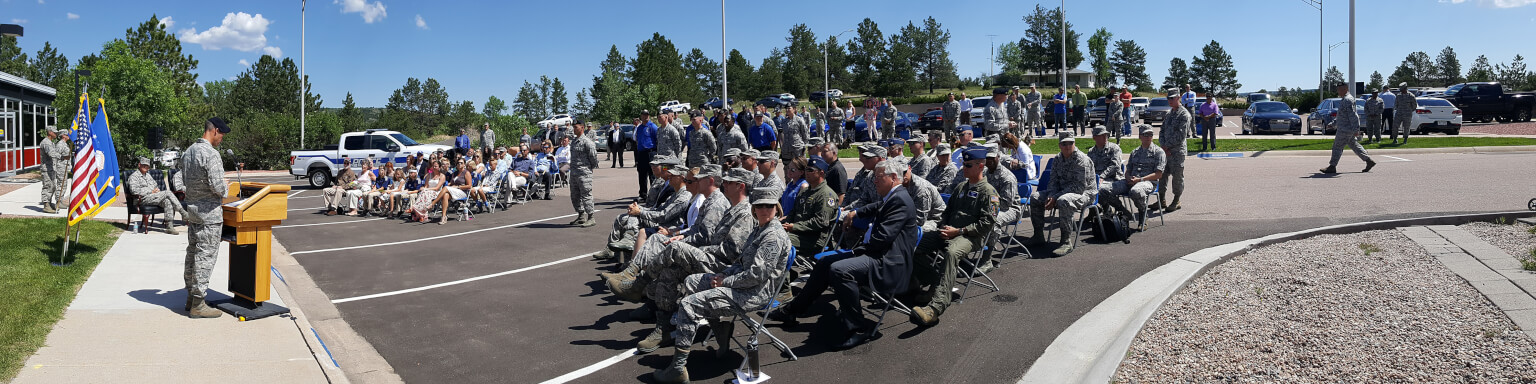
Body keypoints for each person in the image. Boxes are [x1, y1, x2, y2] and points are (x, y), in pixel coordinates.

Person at [771, 158, 917, 349]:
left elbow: (882, 239)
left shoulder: (900, 200)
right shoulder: (892, 196)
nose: (874, 181)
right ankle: (792, 309)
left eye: (878, 178)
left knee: (840, 269)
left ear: (893, 178)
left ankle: (858, 327)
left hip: (888, 261)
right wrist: (854, 213)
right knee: (825, 263)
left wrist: (857, 249)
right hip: (878, 253)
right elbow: (875, 207)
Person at [651, 185, 789, 384]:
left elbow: (756, 276)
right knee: (692, 281)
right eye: (760, 206)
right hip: (742, 285)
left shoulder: (772, 235)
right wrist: (723, 274)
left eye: (769, 206)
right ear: (754, 209)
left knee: (688, 305)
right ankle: (721, 330)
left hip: (755, 293)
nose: (765, 210)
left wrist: (725, 281)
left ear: (776, 207)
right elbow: (741, 263)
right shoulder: (760, 229)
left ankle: (677, 368)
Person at [909, 147, 997, 326]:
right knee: (912, 246)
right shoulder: (961, 187)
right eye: (963, 164)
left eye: (968, 165)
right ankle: (936, 283)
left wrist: (959, 232)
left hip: (971, 236)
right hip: (950, 232)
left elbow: (987, 223)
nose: (963, 168)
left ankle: (935, 308)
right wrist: (942, 227)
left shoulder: (989, 192)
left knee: (951, 254)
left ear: (981, 166)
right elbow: (947, 212)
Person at [181, 117, 231, 319]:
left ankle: (190, 297)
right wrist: (226, 185)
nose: (221, 140)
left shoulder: (188, 152)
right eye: (222, 136)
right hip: (209, 214)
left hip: (193, 211)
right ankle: (198, 304)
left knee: (192, 254)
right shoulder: (211, 154)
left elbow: (183, 180)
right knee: (205, 257)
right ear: (215, 131)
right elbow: (219, 188)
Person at [1027, 131, 1096, 256]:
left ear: (1074, 144)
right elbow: (1053, 180)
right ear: (1060, 145)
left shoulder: (1081, 159)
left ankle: (1066, 241)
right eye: (1064, 144)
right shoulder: (1058, 158)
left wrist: (1055, 197)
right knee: (1035, 197)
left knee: (1064, 201)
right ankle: (1038, 235)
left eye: (1070, 143)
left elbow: (1078, 187)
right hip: (1061, 193)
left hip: (1085, 194)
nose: (1067, 146)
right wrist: (1050, 195)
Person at [1106, 126, 1165, 225]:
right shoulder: (1135, 152)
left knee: (1136, 191)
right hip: (1131, 180)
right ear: (1140, 137)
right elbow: (1128, 170)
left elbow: (1158, 174)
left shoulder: (1158, 152)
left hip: (1148, 182)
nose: (1148, 137)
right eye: (1145, 134)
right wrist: (1128, 177)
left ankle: (1143, 214)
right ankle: (1123, 210)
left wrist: (1140, 180)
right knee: (1104, 190)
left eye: (1150, 134)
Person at [781, 156, 839, 258]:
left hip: (813, 238)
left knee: (778, 240)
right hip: (797, 233)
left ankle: (785, 273)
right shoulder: (805, 191)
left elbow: (821, 222)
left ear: (821, 173)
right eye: (806, 169)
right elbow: (793, 212)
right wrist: (784, 224)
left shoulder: (826, 195)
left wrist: (794, 227)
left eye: (810, 170)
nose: (806, 172)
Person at [1321, 83, 1377, 174]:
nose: (1338, 91)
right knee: (1354, 145)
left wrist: (1356, 129)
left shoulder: (1347, 100)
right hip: (1346, 127)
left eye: (1339, 89)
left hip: (1345, 129)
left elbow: (1353, 115)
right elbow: (1342, 115)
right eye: (1338, 89)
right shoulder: (1345, 99)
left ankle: (1332, 166)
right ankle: (1368, 160)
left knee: (1337, 147)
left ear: (1345, 89)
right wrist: (1333, 123)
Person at [128, 157, 186, 234]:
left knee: (167, 201)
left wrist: (156, 190)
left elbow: (155, 186)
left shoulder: (148, 175)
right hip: (141, 199)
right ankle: (183, 212)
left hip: (152, 198)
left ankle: (169, 226)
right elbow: (134, 191)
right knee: (167, 193)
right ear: (139, 165)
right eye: (144, 165)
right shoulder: (134, 177)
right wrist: (151, 191)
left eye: (147, 166)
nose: (146, 167)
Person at [1158, 89, 1190, 213]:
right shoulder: (1169, 113)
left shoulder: (1184, 114)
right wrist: (1163, 145)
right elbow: (1162, 131)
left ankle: (1176, 200)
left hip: (1177, 152)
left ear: (1179, 97)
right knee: (1162, 174)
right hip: (1166, 151)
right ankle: (1161, 199)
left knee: (1177, 176)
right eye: (1168, 98)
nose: (1170, 100)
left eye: (1172, 98)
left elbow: (1181, 136)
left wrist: (1167, 147)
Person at [569, 121, 599, 227]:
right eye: (573, 127)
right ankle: (581, 216)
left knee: (586, 195)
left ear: (582, 128)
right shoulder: (573, 141)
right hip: (574, 173)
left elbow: (594, 159)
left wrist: (588, 169)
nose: (574, 129)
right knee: (575, 196)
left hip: (584, 173)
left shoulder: (587, 142)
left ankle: (591, 217)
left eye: (576, 127)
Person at [1086, 126, 1125, 211]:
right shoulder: (1091, 151)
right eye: (1102, 135)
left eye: (1106, 135)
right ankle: (1095, 211)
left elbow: (1115, 165)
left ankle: (1120, 209)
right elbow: (1088, 168)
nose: (1105, 137)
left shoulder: (1114, 148)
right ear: (1094, 137)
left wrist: (1102, 176)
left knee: (1099, 189)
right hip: (1097, 180)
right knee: (1083, 188)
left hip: (1115, 179)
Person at [39, 126, 70, 213]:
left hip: (51, 168)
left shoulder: (51, 143)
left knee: (52, 186)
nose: (56, 134)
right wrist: (63, 157)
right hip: (46, 168)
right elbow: (51, 154)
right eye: (54, 132)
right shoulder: (46, 143)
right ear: (49, 132)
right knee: (48, 186)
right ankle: (46, 205)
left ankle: (48, 203)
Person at [636, 110, 659, 196]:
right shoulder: (639, 128)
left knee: (652, 174)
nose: (645, 116)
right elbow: (638, 139)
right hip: (641, 153)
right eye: (644, 115)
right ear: (641, 116)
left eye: (647, 115)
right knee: (642, 174)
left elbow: (657, 139)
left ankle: (653, 194)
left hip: (650, 152)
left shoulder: (653, 127)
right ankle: (643, 194)